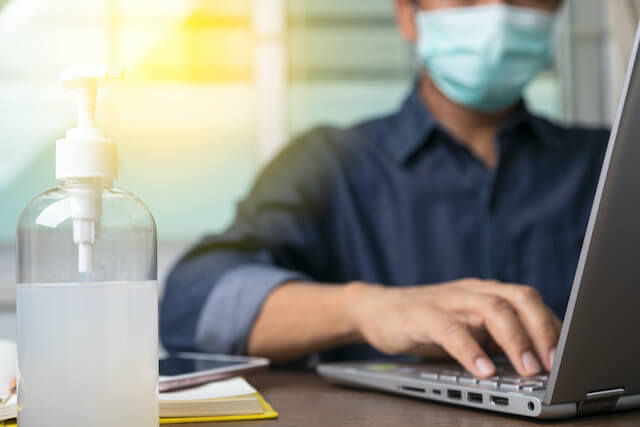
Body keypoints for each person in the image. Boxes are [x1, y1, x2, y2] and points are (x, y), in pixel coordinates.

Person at [160, 0, 609, 379]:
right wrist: (366, 309)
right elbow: (191, 304)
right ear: (408, 16)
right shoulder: (329, 162)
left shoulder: (610, 162)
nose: (496, 15)